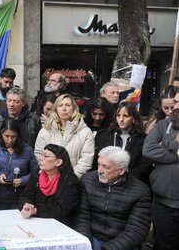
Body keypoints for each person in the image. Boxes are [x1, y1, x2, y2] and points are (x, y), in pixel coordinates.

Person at [75, 146, 151, 250]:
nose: (99, 171)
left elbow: (136, 230)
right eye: (99, 165)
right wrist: (86, 243)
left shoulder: (140, 191)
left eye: (105, 167)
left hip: (121, 243)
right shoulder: (87, 181)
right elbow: (81, 216)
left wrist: (110, 248)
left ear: (121, 170)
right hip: (91, 238)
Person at [143, 88, 179, 250]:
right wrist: (175, 147)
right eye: (173, 103)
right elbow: (149, 151)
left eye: (177, 103)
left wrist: (164, 150)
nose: (174, 108)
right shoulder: (161, 126)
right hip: (162, 203)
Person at [35, 93, 94, 178]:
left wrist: (69, 178)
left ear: (74, 108)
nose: (64, 109)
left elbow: (86, 161)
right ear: (56, 109)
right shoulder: (46, 130)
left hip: (73, 181)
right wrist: (51, 175)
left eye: (68, 105)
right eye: (60, 105)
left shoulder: (85, 132)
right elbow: (39, 154)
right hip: (49, 179)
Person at [0, 118, 38, 210]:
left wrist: (23, 180)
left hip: (20, 197)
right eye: (7, 136)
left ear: (19, 136)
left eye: (13, 136)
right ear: (1, 133)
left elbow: (36, 172)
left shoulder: (27, 149)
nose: (10, 140)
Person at [20, 144, 80, 225]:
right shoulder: (36, 174)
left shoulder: (70, 181)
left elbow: (61, 210)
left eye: (46, 156)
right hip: (33, 220)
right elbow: (26, 195)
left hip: (60, 225)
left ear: (58, 162)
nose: (41, 158)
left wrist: (36, 210)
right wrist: (27, 206)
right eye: (41, 155)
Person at [95, 102, 151, 184]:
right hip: (107, 180)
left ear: (133, 118)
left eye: (125, 116)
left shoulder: (143, 139)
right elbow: (98, 159)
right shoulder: (105, 135)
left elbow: (146, 164)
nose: (121, 119)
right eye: (118, 116)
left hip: (132, 182)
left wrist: (129, 177)